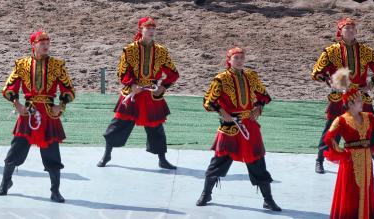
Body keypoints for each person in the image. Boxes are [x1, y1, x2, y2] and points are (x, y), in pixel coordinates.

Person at [197, 47, 280, 212]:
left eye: (242, 57)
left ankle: (268, 199)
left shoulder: (251, 76)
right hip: (230, 127)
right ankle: (206, 194)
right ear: (229, 60)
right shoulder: (220, 79)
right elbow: (208, 101)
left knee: (257, 161)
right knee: (218, 161)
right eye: (236, 58)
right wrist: (222, 112)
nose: (240, 60)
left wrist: (258, 107)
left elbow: (264, 95)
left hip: (249, 124)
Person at [0, 31, 75, 203]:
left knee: (52, 154)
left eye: (48, 42)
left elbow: (68, 89)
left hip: (49, 115)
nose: (46, 45)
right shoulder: (22, 64)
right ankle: (5, 182)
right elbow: (9, 88)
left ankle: (55, 191)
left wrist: (60, 105)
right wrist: (17, 104)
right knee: (15, 150)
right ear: (33, 44)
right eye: (42, 42)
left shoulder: (57, 65)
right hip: (28, 112)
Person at [98, 17, 179, 170]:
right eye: (147, 28)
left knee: (156, 126)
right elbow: (122, 72)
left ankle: (162, 159)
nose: (151, 31)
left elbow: (173, 73)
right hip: (133, 93)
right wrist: (133, 84)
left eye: (153, 28)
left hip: (151, 94)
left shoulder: (161, 51)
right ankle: (107, 154)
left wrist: (164, 87)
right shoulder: (129, 49)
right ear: (141, 30)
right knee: (118, 124)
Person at [311, 18, 374, 174]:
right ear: (340, 31)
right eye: (347, 28)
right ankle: (320, 160)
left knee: (370, 128)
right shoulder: (331, 51)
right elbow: (316, 72)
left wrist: (371, 84)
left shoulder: (366, 51)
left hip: (360, 96)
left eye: (353, 28)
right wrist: (330, 82)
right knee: (332, 127)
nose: (351, 30)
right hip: (340, 96)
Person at [322, 69, 374, 219]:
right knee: (350, 193)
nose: (363, 102)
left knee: (366, 191)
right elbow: (328, 138)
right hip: (349, 162)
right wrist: (342, 154)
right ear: (351, 102)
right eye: (359, 100)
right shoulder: (341, 120)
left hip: (366, 161)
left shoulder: (369, 117)